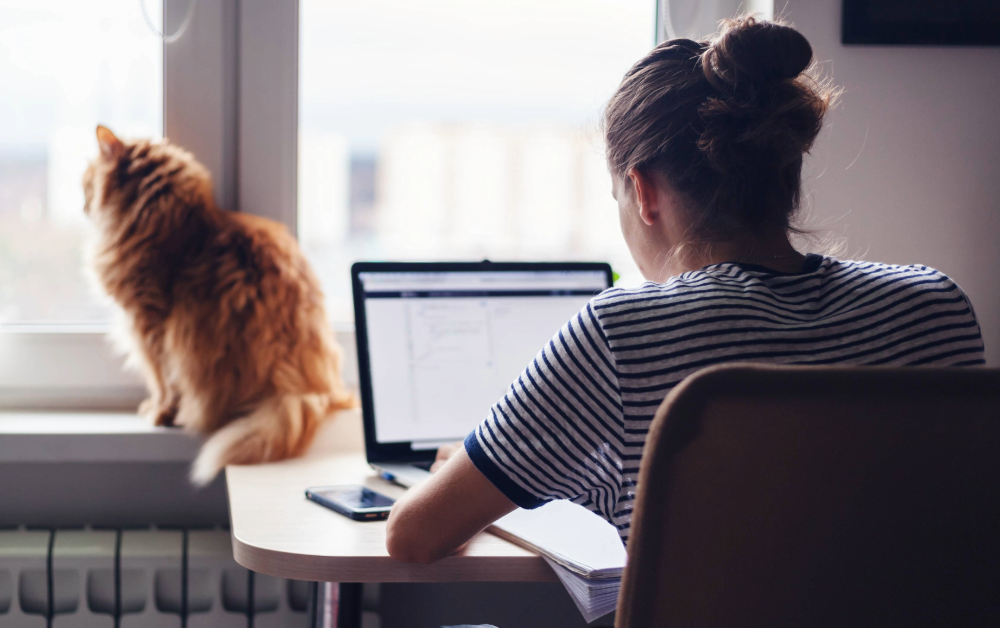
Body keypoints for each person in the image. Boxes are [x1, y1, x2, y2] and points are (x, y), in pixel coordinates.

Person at [385, 16, 986, 565]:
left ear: (642, 191)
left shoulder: (622, 333)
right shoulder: (935, 307)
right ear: (787, 170)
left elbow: (413, 536)